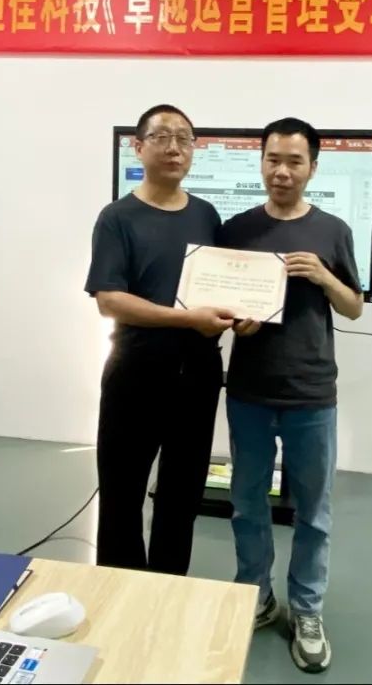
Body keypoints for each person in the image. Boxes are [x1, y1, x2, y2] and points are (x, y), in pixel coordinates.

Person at [218, 117, 363, 673]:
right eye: (273, 159)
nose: (281, 171)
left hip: (311, 393)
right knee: (247, 503)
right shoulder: (237, 229)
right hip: (249, 390)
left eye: (294, 161)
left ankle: (306, 609)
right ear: (261, 162)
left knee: (314, 511)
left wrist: (323, 277)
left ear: (313, 168)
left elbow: (353, 307)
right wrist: (237, 322)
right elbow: (220, 302)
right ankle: (254, 594)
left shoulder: (333, 231)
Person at [85, 104, 235, 575]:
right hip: (136, 370)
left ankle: (170, 589)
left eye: (184, 138)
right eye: (162, 137)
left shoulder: (206, 215)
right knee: (122, 492)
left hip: (199, 372)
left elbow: (223, 287)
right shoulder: (117, 218)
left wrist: (240, 314)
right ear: (138, 146)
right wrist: (187, 320)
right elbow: (109, 299)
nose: (174, 148)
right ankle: (120, 593)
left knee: (182, 495)